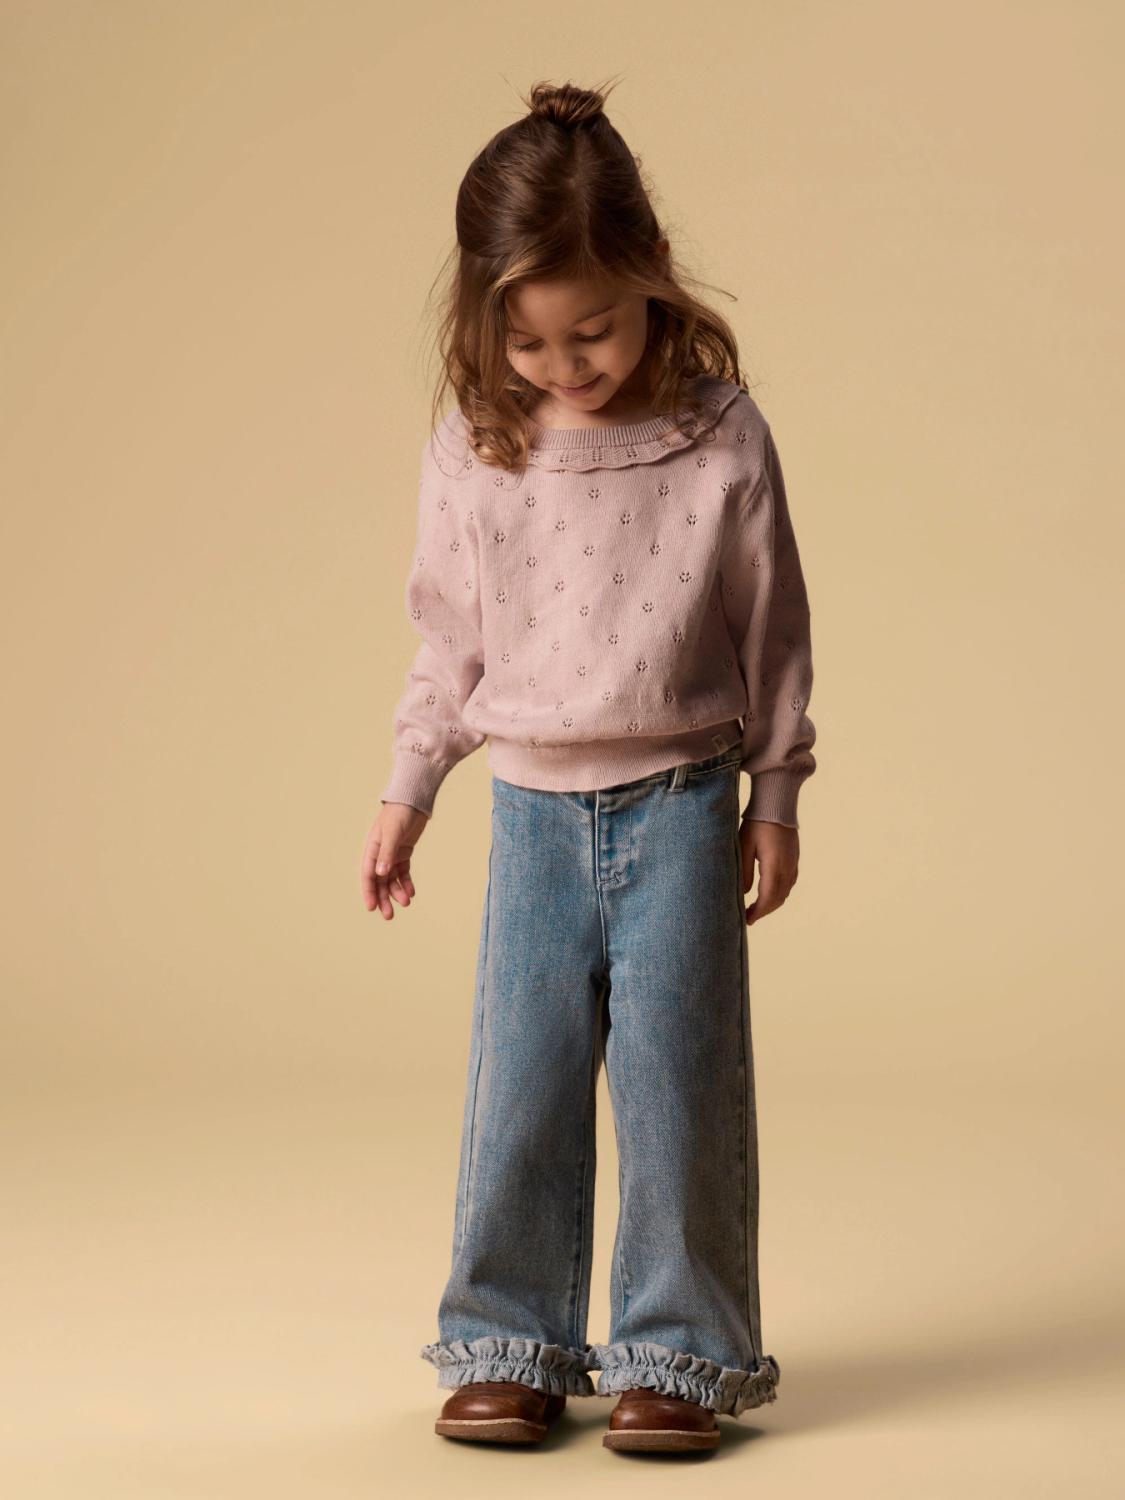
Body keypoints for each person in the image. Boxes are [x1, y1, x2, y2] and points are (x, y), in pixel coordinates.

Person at [360, 77, 817, 1456]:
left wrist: (777, 792)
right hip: (532, 816)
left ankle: (676, 1354)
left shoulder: (716, 434)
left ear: (650, 278)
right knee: (522, 1087)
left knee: (678, 1089)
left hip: (682, 805)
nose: (565, 365)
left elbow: (771, 626)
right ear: (484, 317)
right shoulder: (477, 448)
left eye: (595, 330)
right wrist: (407, 788)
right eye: (528, 339)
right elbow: (448, 641)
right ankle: (509, 1341)